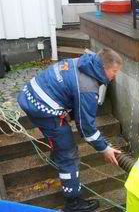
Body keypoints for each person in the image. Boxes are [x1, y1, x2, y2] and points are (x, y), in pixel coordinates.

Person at [17, 48, 123, 212]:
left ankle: (57, 152)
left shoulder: (84, 62)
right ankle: (73, 203)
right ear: (103, 68)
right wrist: (105, 148)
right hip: (43, 108)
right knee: (68, 154)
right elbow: (87, 130)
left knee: (61, 140)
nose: (115, 76)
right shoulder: (88, 87)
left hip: (31, 94)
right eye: (114, 71)